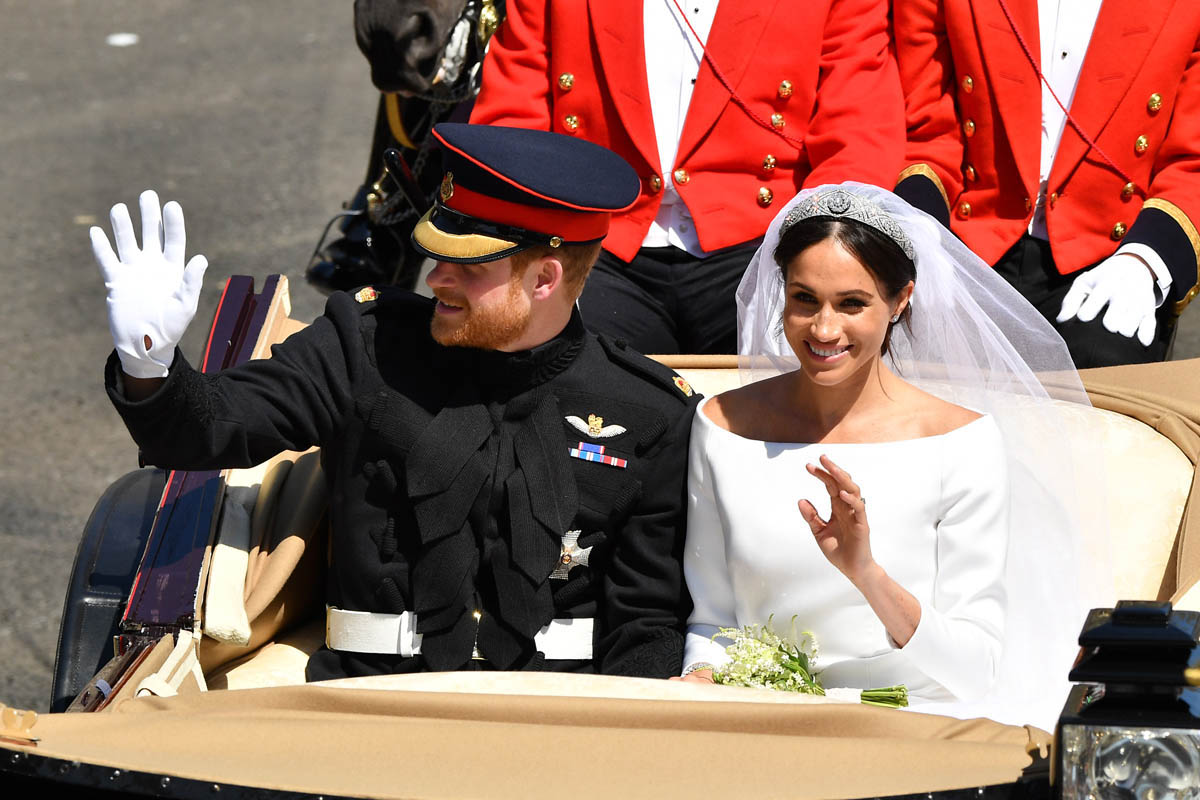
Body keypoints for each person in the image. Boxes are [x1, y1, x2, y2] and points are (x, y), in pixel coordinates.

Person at [93, 123, 698, 681]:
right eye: (438, 255)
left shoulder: (649, 413)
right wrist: (150, 364)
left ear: (544, 279)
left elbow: (646, 624)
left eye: (468, 266)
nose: (435, 278)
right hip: (370, 698)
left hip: (555, 713)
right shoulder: (364, 344)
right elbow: (208, 430)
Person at [679, 183, 1103, 731]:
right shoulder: (721, 426)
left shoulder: (962, 442)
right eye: (804, 299)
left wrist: (866, 573)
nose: (824, 329)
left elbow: (975, 669)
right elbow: (712, 621)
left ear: (901, 300)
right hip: (761, 719)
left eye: (852, 304)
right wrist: (702, 678)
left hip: (908, 720)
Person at [469, 0, 904, 354]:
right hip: (598, 239)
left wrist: (812, 258)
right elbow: (513, 122)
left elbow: (857, 133)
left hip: (764, 245)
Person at [894, 0, 1200, 368]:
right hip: (972, 236)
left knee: (1106, 366)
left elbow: (1194, 158)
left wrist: (1146, 258)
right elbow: (925, 123)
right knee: (900, 351)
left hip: (1113, 252)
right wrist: (918, 231)